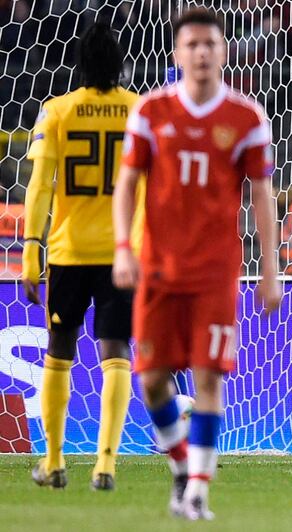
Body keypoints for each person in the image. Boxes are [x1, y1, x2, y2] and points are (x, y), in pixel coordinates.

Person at [112, 8, 281, 519]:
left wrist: (269, 270)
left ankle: (198, 492)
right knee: (152, 379)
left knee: (209, 378)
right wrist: (123, 247)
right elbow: (126, 185)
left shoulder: (247, 118)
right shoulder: (149, 112)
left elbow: (263, 197)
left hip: (215, 271)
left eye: (211, 43)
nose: (202, 52)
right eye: (192, 45)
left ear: (224, 51)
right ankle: (184, 465)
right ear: (178, 53)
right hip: (158, 268)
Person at [23, 22, 139, 491]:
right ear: (120, 63)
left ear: (79, 65)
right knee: (116, 353)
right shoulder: (139, 112)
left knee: (59, 352)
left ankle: (52, 462)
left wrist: (33, 248)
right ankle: (106, 465)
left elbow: (40, 186)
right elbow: (151, 186)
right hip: (121, 254)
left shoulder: (57, 111)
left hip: (69, 253)